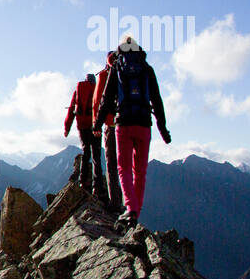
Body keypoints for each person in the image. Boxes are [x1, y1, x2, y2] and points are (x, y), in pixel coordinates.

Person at [95, 35, 171, 229]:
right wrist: (163, 130)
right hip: (144, 124)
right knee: (140, 171)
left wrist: (97, 123)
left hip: (123, 124)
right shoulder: (147, 69)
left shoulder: (116, 67)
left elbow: (105, 99)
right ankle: (135, 211)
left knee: (124, 168)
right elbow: (157, 100)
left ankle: (130, 209)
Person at [63, 71, 106, 199]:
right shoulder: (98, 88)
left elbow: (71, 109)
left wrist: (67, 128)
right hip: (95, 126)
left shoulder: (79, 90)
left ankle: (83, 182)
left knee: (86, 152)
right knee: (97, 156)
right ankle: (97, 186)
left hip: (82, 126)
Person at [91, 48, 124, 214]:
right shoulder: (126, 72)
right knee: (124, 165)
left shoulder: (104, 75)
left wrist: (96, 124)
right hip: (126, 124)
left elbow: (97, 102)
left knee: (111, 164)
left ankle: (115, 203)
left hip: (111, 125)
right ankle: (128, 204)